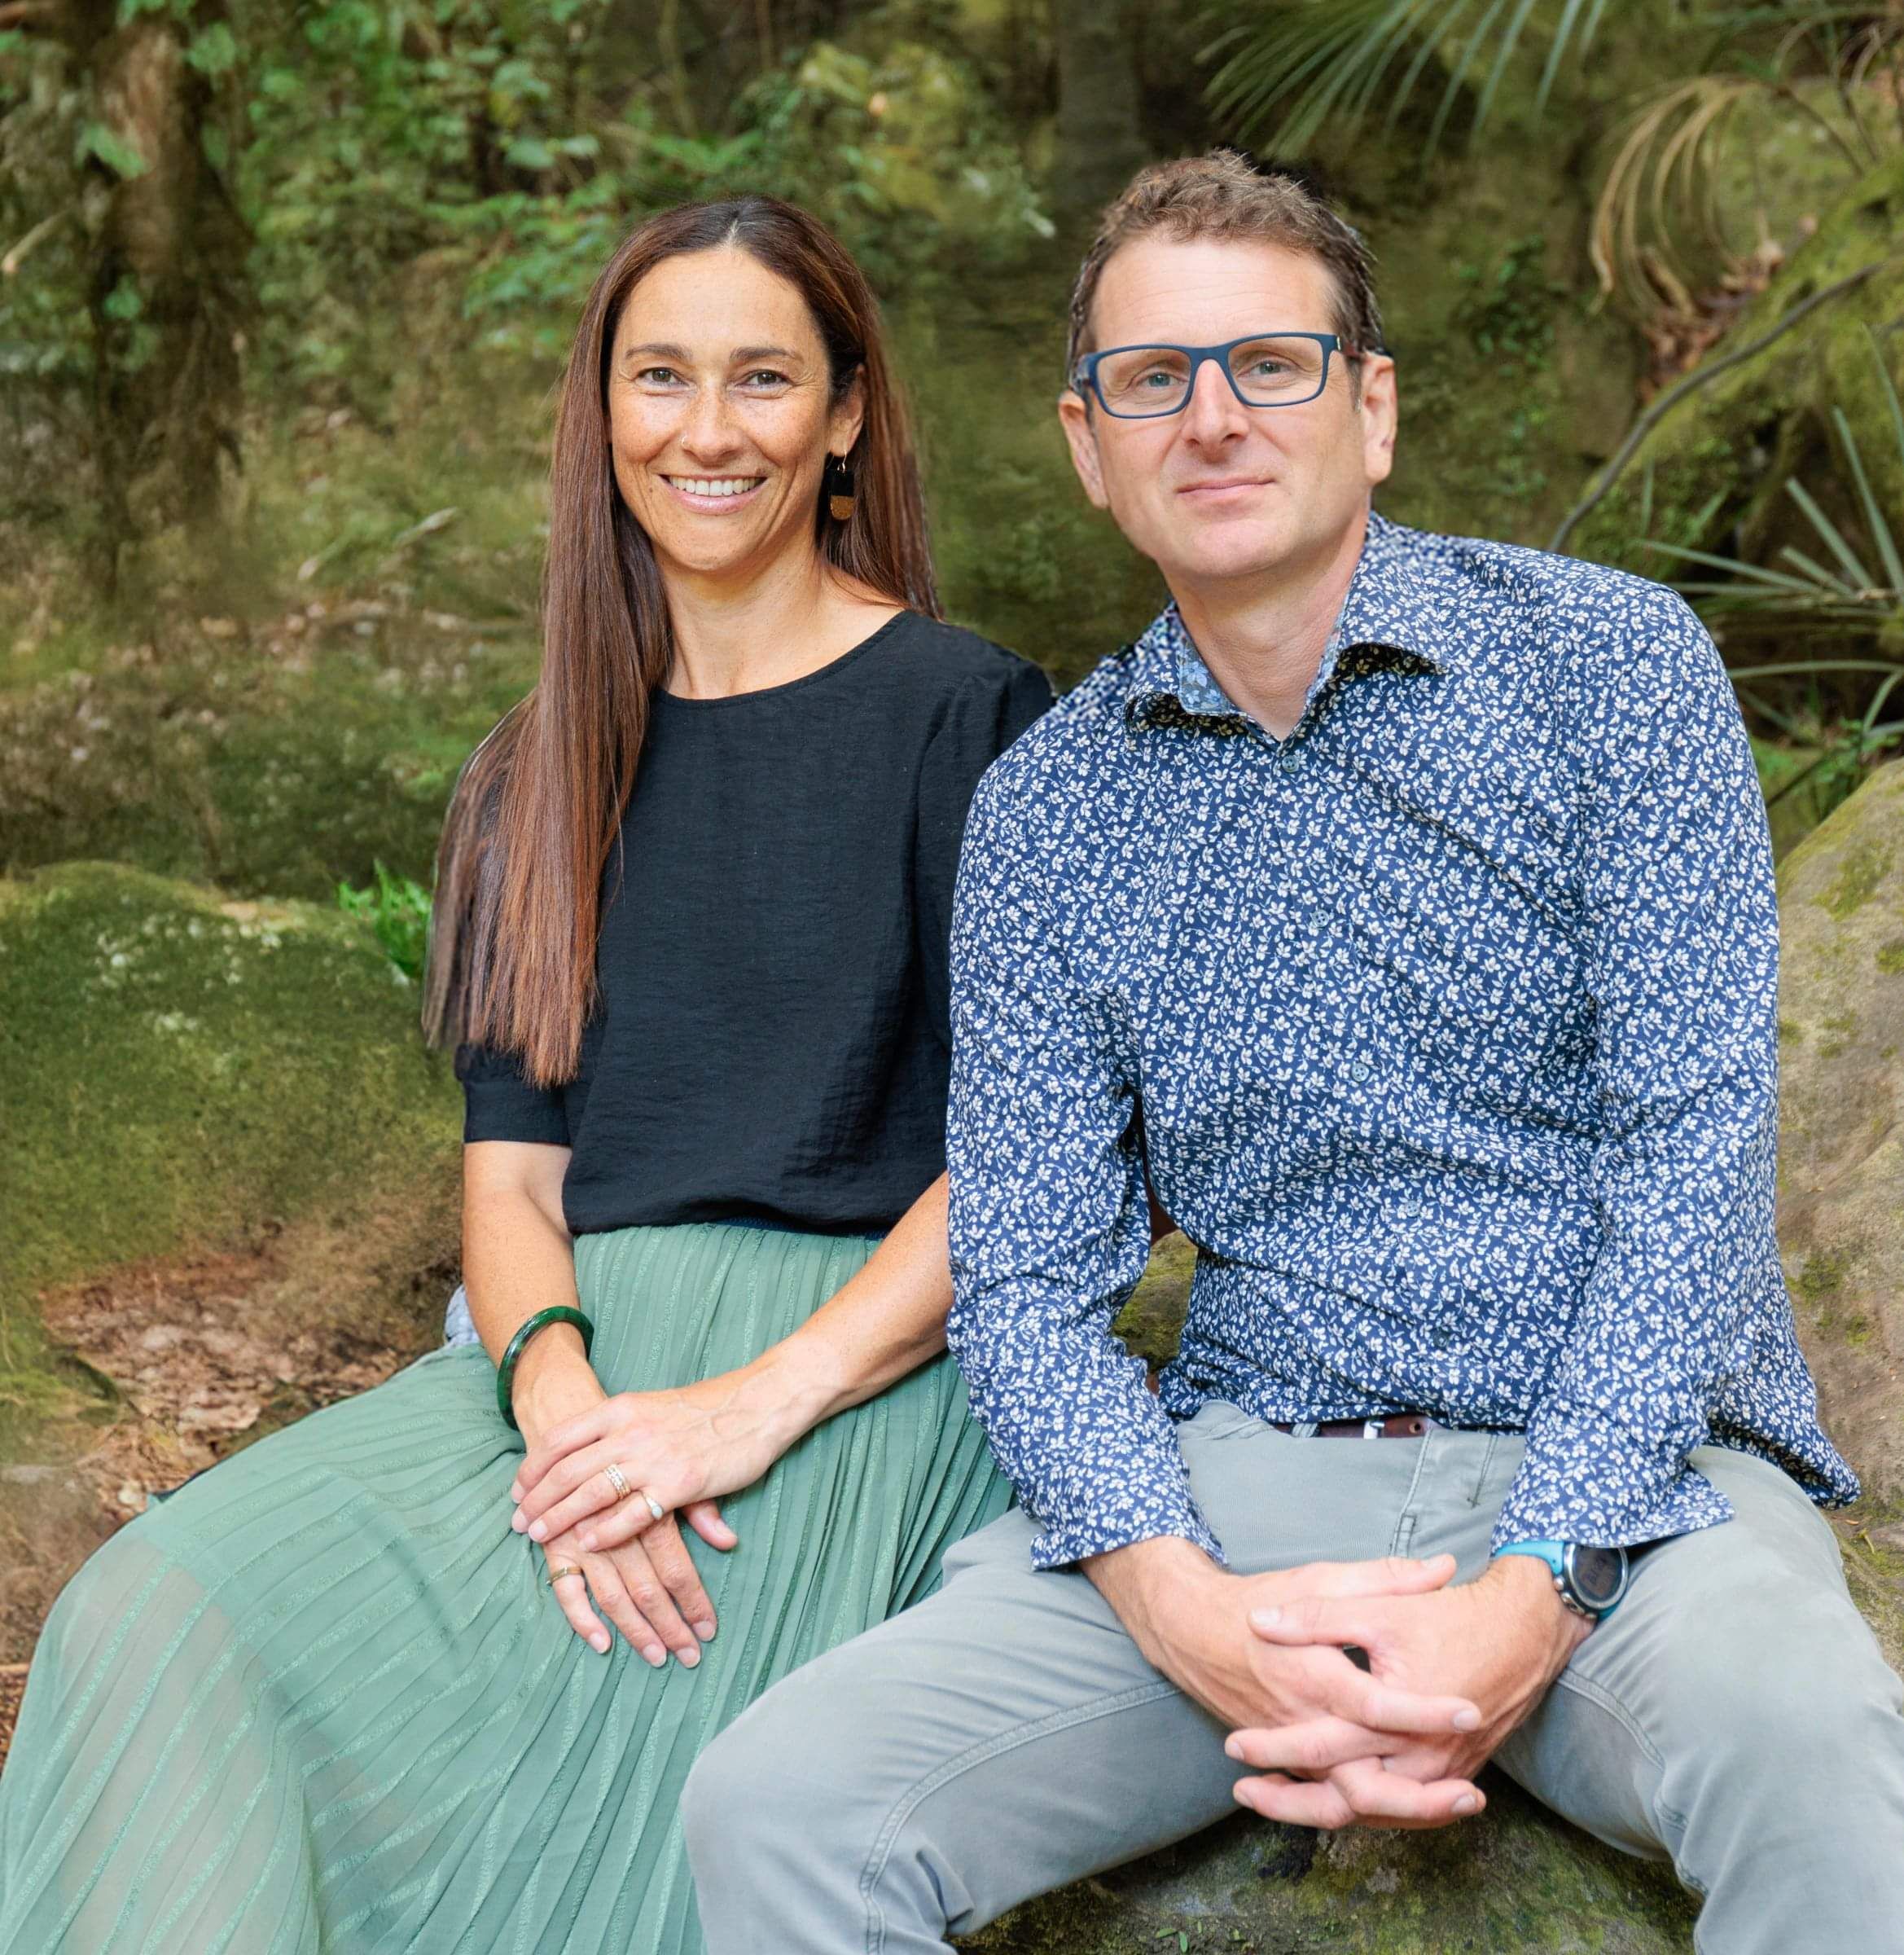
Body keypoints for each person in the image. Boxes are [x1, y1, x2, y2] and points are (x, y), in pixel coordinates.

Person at [679, 152, 1904, 1954]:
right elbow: (1021, 1279)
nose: (1212, 418)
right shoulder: (1050, 810)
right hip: (1247, 1483)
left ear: (1371, 406)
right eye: (1149, 380)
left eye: (1271, 362)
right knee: (778, 1808)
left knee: (1813, 1758)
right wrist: (1182, 1610)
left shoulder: (1607, 670)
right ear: (1088, 445)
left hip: (1639, 1499)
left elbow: (1692, 1168)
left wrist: (1529, 1594)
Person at [0, 194, 1051, 1953]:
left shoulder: (974, 718)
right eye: (659, 378)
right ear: (602, 411)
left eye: (760, 380)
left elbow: (1034, 1161)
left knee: (621, 1756)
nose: (704, 431)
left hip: (862, 1369)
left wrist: (744, 1410)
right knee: (153, 1609)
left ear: (847, 412)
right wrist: (558, 1413)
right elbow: (512, 1180)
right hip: (552, 1359)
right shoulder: (529, 770)